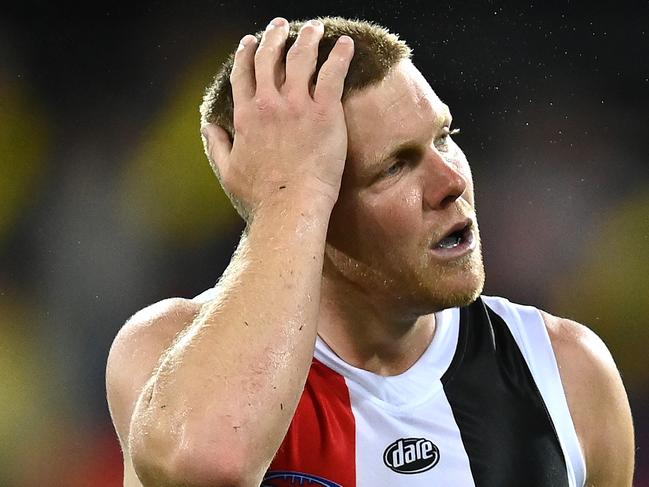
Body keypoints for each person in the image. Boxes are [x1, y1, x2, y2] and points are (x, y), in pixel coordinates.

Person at [106, 16, 635, 487]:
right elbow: (211, 464)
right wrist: (288, 198)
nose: (451, 181)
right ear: (316, 209)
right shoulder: (163, 352)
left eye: (445, 137)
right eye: (396, 166)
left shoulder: (565, 372)